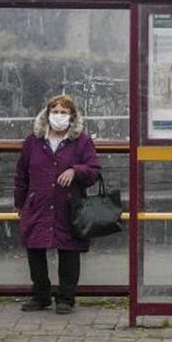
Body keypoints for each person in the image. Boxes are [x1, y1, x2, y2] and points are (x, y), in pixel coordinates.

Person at [13, 94, 102, 314]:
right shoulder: (33, 141)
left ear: (72, 115)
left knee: (68, 251)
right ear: (47, 113)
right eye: (55, 111)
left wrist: (75, 170)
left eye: (64, 112)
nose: (59, 116)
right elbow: (21, 173)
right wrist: (19, 202)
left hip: (68, 205)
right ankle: (40, 295)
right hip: (38, 204)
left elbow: (94, 171)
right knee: (35, 249)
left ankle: (66, 298)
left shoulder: (81, 140)